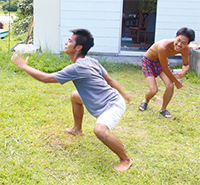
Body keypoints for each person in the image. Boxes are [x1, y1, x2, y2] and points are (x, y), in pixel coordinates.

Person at [11, 29, 133, 172]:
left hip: (112, 104)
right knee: (75, 96)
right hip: (111, 98)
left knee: (100, 130)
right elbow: (109, 80)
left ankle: (126, 159)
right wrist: (123, 93)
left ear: (78, 47)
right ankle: (77, 129)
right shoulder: (91, 61)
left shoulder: (77, 68)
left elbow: (45, 78)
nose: (66, 42)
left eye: (69, 41)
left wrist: (24, 66)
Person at [138, 27, 195, 118]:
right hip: (148, 62)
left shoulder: (185, 49)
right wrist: (176, 82)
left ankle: (163, 109)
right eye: (178, 40)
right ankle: (145, 101)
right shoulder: (163, 47)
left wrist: (183, 72)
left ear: (188, 44)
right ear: (175, 36)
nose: (179, 44)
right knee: (153, 90)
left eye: (184, 43)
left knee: (170, 86)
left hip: (161, 62)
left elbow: (186, 64)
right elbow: (165, 68)